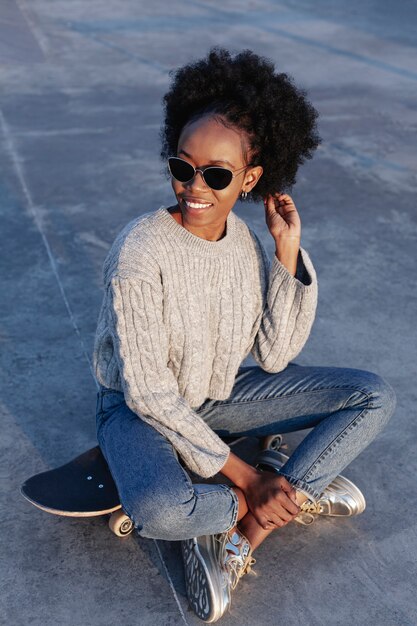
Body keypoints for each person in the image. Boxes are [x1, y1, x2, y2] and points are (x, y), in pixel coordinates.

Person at [93, 48, 396, 622]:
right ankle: (290, 492)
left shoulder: (244, 244)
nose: (194, 187)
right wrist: (248, 478)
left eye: (216, 174)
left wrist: (285, 250)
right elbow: (151, 393)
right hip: (137, 410)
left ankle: (254, 521)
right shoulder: (140, 250)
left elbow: (277, 354)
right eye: (182, 167)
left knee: (373, 394)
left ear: (250, 179)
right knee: (158, 508)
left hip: (220, 398)